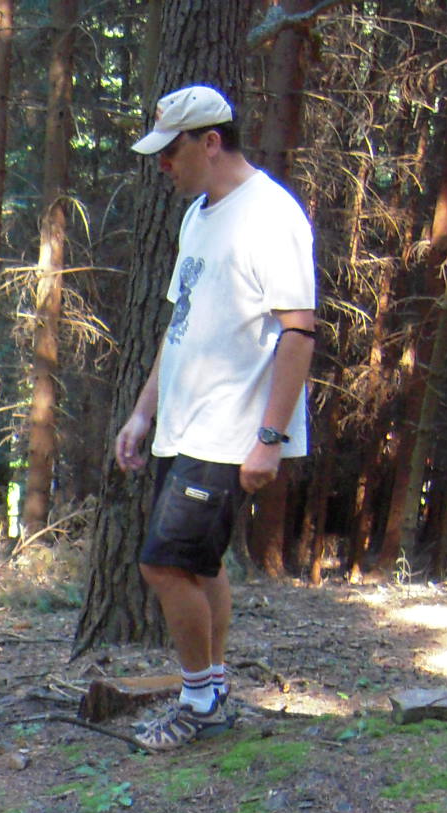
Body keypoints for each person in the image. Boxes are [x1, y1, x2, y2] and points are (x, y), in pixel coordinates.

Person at [115, 85, 316, 752]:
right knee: (200, 567)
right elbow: (181, 324)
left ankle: (199, 700)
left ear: (210, 142)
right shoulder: (197, 217)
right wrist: (143, 412)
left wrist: (269, 439)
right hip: (185, 425)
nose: (162, 165)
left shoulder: (270, 215)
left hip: (231, 432)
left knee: (162, 565)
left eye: (170, 151)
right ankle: (214, 687)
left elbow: (299, 331)